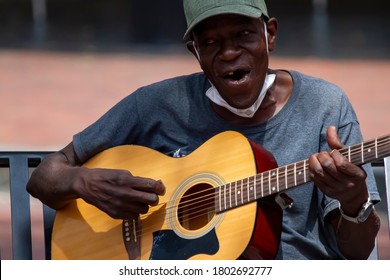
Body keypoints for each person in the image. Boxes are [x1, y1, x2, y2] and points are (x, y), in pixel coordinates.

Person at [27, 0, 381, 260]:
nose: (229, 52)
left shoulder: (325, 105)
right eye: (210, 43)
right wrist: (85, 183)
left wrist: (353, 201)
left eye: (243, 35)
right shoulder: (157, 104)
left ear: (269, 35)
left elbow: (357, 251)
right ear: (194, 51)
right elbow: (44, 176)